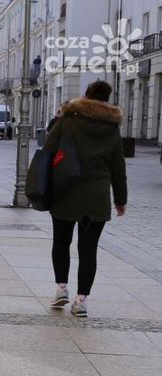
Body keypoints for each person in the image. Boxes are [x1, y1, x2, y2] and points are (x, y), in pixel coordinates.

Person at [44, 80, 127, 317]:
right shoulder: (112, 129)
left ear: (86, 96)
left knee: (61, 241)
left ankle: (61, 288)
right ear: (106, 99)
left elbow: (49, 152)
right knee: (88, 249)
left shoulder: (68, 121)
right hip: (96, 197)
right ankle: (81, 301)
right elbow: (117, 166)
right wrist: (120, 200)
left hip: (65, 191)